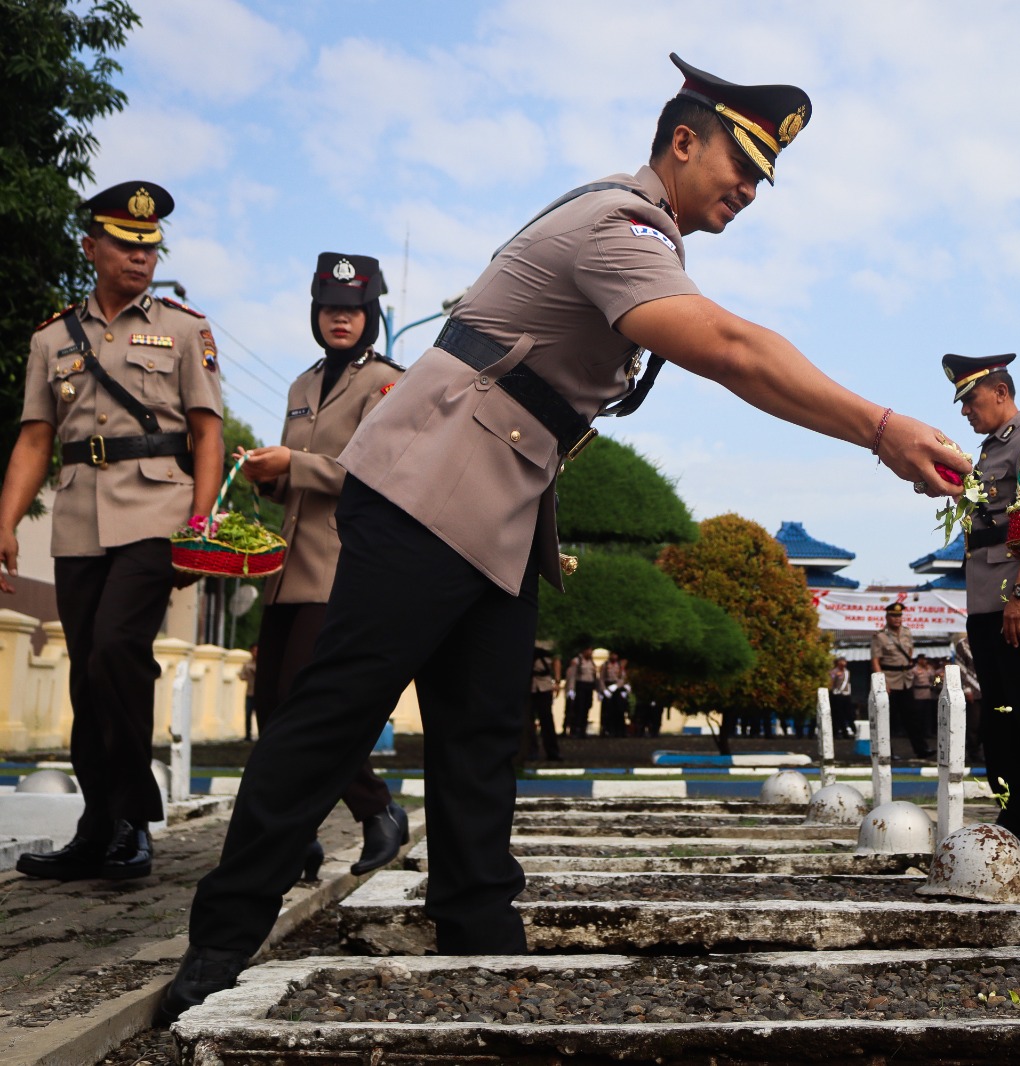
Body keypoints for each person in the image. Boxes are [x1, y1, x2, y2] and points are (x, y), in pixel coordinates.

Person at [160, 54, 966, 1022]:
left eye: (761, 178)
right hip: (429, 490)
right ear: (681, 141)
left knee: (483, 734)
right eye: (740, 166)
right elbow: (732, 350)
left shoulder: (637, 233)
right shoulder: (618, 227)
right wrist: (877, 426)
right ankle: (218, 946)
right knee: (336, 714)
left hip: (496, 504)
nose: (749, 191)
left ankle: (476, 935)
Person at [0, 181, 224, 882]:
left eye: (151, 246)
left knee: (116, 653)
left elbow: (207, 433)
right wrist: (5, 521)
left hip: (158, 510)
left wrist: (201, 520)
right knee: (85, 680)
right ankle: (96, 827)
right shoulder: (51, 338)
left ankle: (130, 819)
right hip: (76, 519)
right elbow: (36, 439)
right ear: (91, 247)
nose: (141, 256)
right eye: (127, 245)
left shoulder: (185, 330)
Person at [234, 252, 410, 880]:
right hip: (286, 566)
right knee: (270, 704)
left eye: (354, 310)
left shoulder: (387, 381)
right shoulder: (301, 384)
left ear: (371, 314)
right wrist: (266, 474)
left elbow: (378, 472)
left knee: (307, 703)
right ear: (316, 313)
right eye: (331, 309)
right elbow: (295, 482)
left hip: (343, 564)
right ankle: (303, 833)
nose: (342, 320)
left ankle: (373, 809)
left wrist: (293, 465)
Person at [942, 352, 1020, 845]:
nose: (966, 410)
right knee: (1001, 709)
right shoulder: (991, 451)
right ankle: (1016, 805)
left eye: (971, 399)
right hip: (986, 598)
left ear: (1001, 393)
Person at [869, 602, 924, 756]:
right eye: (893, 615)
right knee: (887, 719)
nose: (897, 619)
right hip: (889, 680)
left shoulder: (907, 633)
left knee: (912, 716)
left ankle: (921, 749)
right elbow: (875, 660)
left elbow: (910, 651)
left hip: (905, 680)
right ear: (887, 617)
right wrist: (882, 682)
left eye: (899, 615)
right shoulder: (880, 636)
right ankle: (887, 752)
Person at [524, 641, 561, 762]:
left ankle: (552, 751)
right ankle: (531, 751)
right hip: (530, 686)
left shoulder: (549, 645)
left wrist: (557, 681)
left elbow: (556, 661)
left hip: (544, 686)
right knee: (528, 722)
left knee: (547, 721)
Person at [909, 652, 939, 753]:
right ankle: (921, 733)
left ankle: (928, 732)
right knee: (919, 716)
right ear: (918, 660)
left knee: (928, 715)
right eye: (922, 659)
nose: (924, 661)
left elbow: (936, 680)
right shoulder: (914, 670)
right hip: (918, 695)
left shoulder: (930, 669)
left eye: (925, 659)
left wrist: (936, 684)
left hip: (929, 694)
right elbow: (911, 683)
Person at [565, 648, 597, 736]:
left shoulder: (591, 662)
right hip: (580, 686)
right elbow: (572, 676)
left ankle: (583, 729)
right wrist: (571, 689)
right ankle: (575, 729)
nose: (590, 653)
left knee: (587, 707)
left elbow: (594, 676)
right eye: (589, 650)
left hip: (588, 687)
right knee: (578, 708)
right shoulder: (577, 661)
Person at [827, 656, 854, 736]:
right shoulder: (834, 672)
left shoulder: (847, 672)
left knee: (849, 714)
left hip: (846, 695)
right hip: (837, 695)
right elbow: (831, 683)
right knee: (837, 714)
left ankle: (851, 730)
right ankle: (838, 732)